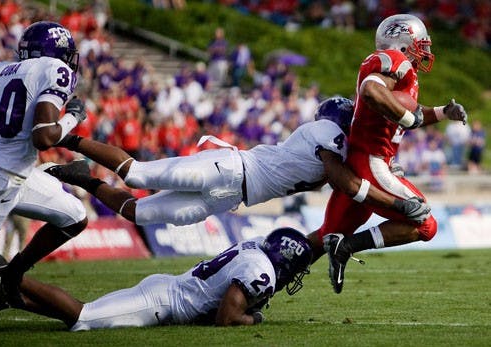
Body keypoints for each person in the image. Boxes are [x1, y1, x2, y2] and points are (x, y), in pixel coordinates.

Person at [44, 97, 429, 229]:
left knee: (136, 213)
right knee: (138, 173)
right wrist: (396, 203)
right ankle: (68, 136)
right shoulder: (326, 130)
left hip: (228, 198)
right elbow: (344, 184)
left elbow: (349, 180)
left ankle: (85, 180)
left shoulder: (339, 148)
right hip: (230, 168)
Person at [306, 14, 469, 294]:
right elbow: (371, 90)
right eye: (420, 44)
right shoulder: (395, 59)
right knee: (425, 225)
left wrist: (442, 113)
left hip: (364, 161)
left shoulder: (404, 73)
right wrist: (407, 118)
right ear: (402, 42)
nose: (426, 51)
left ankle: (270, 271)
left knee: (323, 236)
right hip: (372, 162)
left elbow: (410, 113)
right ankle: (346, 248)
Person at [0, 227, 312, 330]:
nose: (293, 276)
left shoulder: (254, 250)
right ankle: (5, 271)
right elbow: (226, 318)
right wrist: (253, 318)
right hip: (164, 304)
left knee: (78, 318)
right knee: (83, 317)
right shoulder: (262, 272)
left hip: (167, 289)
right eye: (295, 268)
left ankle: (2, 295)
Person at [0, 21, 88, 306]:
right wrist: (73, 117)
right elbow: (43, 138)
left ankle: (10, 274)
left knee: (74, 216)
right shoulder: (54, 69)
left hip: (14, 172)